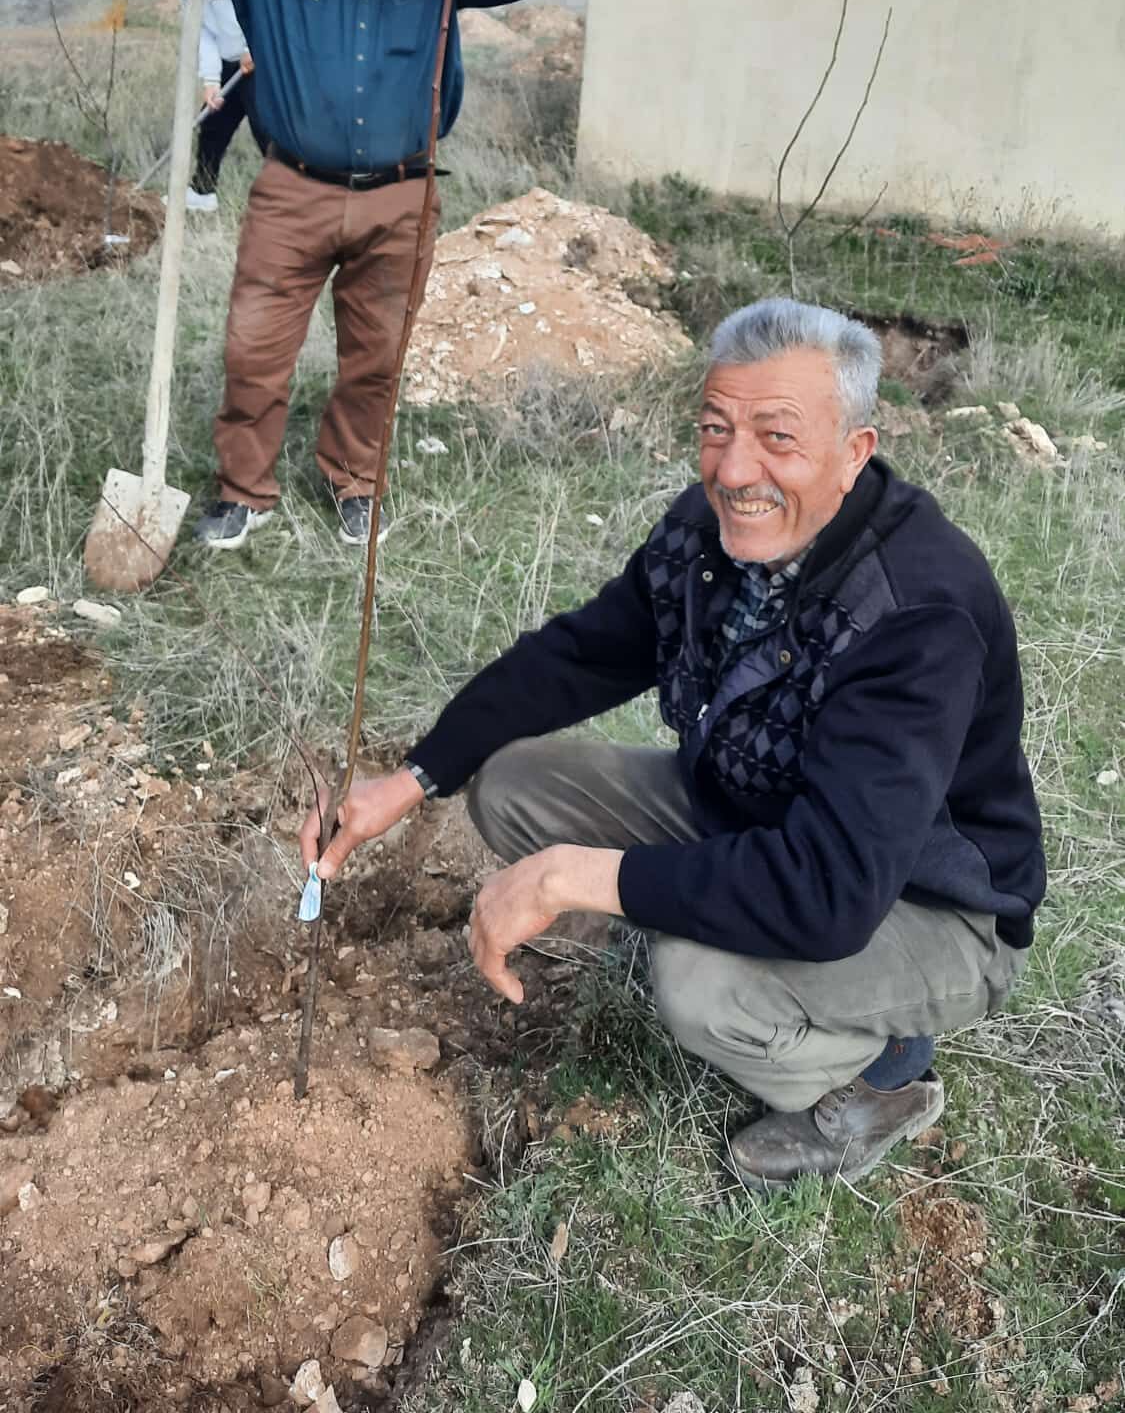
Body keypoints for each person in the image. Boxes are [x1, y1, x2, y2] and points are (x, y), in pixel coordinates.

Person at [301, 299, 1046, 1191]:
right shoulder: (708, 534)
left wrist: (570, 878)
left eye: (777, 437)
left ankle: (882, 1074)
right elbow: (581, 656)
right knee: (512, 784)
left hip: (925, 904)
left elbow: (829, 892)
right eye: (715, 429)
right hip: (750, 814)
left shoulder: (915, 615)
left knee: (697, 985)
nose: (733, 469)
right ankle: (706, 909)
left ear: (855, 451)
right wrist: (412, 777)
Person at [145, 0, 550, 550]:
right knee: (254, 351)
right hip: (292, 190)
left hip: (402, 196)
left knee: (377, 358)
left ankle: (354, 480)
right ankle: (244, 491)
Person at [148, 0, 260, 211]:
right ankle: (203, 191)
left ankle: (289, 198)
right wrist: (211, 80)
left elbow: (257, 7)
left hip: (261, 63)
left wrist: (255, 46)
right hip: (230, 64)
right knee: (212, 124)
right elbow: (203, 33)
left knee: (268, 133)